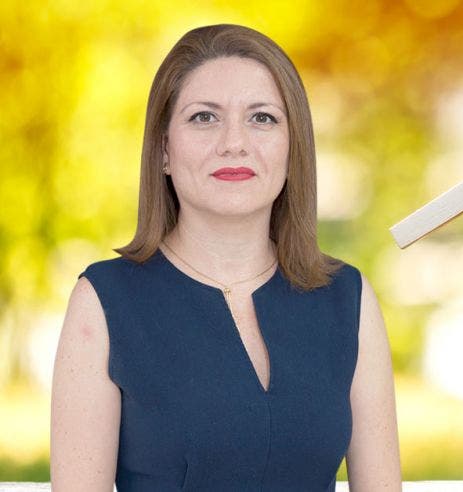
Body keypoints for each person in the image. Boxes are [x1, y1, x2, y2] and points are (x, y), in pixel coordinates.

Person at [49, 24, 401, 491]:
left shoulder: (347, 299)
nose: (234, 142)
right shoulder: (104, 302)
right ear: (163, 151)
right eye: (203, 118)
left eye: (262, 118)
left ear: (293, 147)